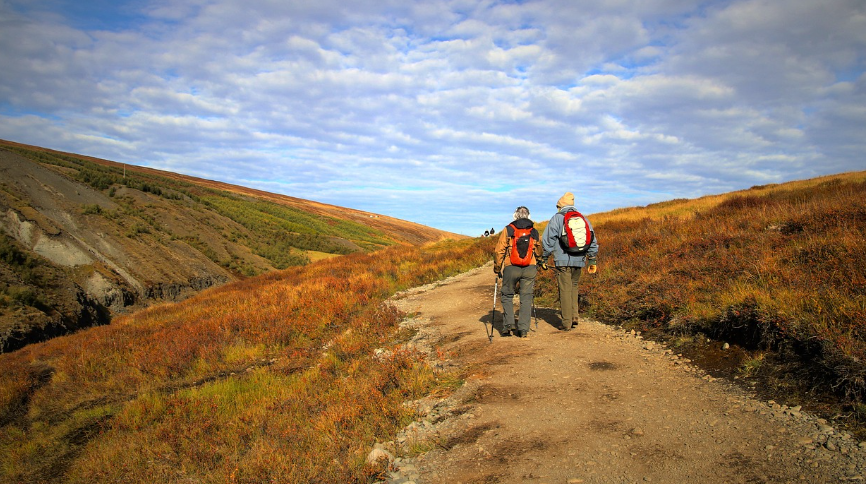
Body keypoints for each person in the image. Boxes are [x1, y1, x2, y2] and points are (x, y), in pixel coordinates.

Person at [540, 192, 599, 331]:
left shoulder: (557, 218)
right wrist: (592, 259)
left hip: (563, 260)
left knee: (564, 289)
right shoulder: (583, 218)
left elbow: (548, 240)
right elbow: (592, 240)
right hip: (580, 259)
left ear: (560, 206)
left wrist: (544, 257)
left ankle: (566, 323)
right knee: (574, 287)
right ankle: (574, 317)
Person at [494, 206, 542, 338]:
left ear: (515, 215)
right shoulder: (534, 231)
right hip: (529, 267)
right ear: (529, 216)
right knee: (526, 297)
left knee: (507, 295)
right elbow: (538, 250)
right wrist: (538, 260)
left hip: (511, 267)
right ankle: (523, 329)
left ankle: (509, 324)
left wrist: (497, 268)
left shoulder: (508, 229)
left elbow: (499, 250)